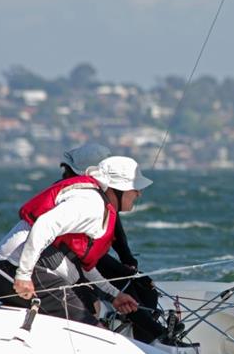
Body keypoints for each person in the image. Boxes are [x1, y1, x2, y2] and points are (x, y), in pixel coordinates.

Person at [0, 156, 151, 327]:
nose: (138, 193)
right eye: (135, 188)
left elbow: (84, 266)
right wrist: (23, 275)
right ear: (116, 188)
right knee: (92, 329)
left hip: (28, 272)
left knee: (92, 306)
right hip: (14, 273)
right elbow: (44, 225)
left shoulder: (97, 204)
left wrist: (115, 295)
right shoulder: (90, 203)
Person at [59, 144, 164, 342]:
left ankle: (150, 339)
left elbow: (115, 229)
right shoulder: (80, 197)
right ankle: (157, 337)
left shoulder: (99, 195)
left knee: (145, 290)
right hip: (71, 263)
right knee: (130, 287)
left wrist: (128, 260)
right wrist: (127, 271)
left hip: (88, 260)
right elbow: (82, 253)